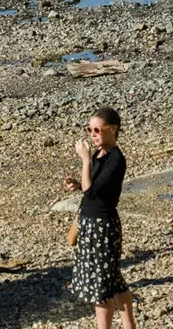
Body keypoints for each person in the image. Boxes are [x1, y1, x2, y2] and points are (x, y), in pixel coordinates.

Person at [64, 107, 136, 329]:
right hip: (89, 223)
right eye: (89, 129)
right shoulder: (99, 155)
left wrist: (85, 161)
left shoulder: (115, 159)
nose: (92, 134)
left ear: (112, 130)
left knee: (101, 287)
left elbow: (93, 192)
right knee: (112, 280)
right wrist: (77, 184)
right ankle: (129, 325)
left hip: (102, 228)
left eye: (97, 129)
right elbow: (91, 189)